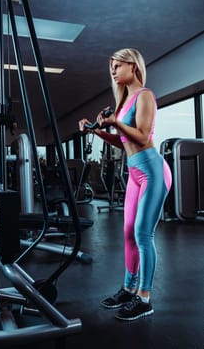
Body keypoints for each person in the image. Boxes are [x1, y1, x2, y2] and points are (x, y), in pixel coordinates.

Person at [79, 48, 172, 321]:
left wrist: (115, 123)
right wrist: (97, 130)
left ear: (133, 67)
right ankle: (129, 288)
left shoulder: (145, 95)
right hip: (133, 172)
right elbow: (123, 141)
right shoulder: (123, 103)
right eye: (112, 66)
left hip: (152, 170)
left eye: (118, 65)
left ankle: (144, 298)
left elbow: (142, 137)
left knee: (144, 233)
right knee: (128, 232)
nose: (113, 70)